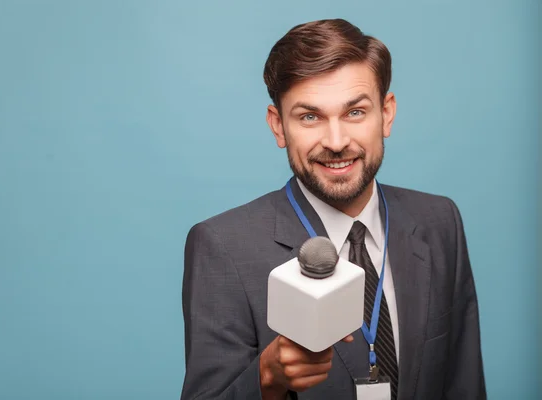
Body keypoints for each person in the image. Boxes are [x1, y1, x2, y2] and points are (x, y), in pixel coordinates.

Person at [180, 18, 486, 400]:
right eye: (310, 117)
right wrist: (267, 377)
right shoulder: (221, 247)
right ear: (278, 127)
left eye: (355, 112)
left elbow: (464, 382)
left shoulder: (440, 222)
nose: (337, 141)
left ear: (386, 114)